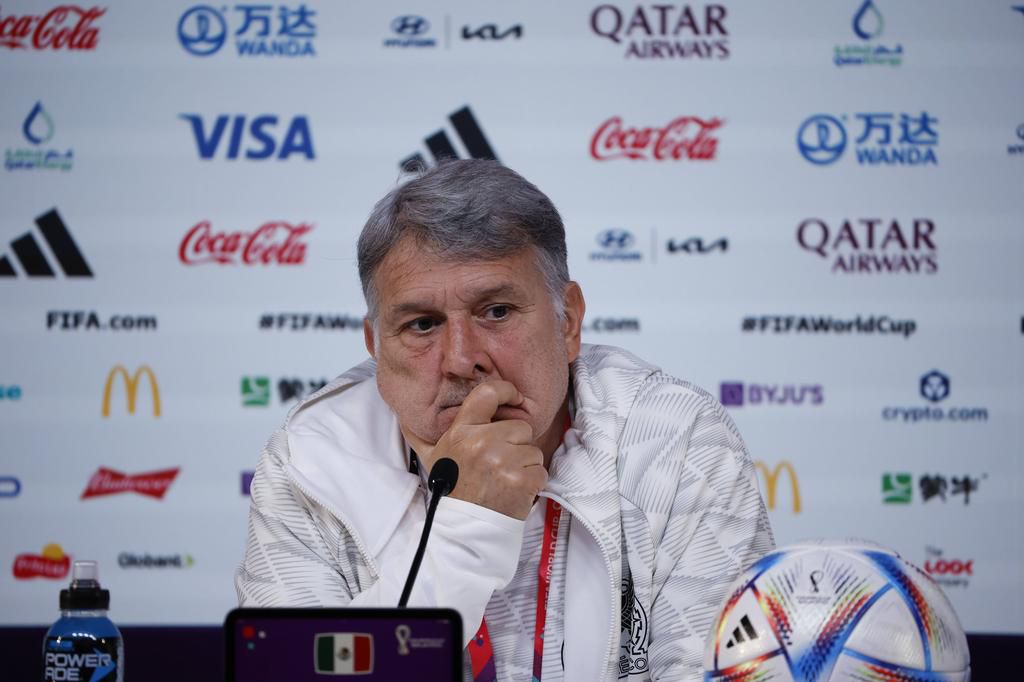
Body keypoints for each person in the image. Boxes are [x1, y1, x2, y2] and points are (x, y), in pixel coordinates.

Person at [235, 159, 774, 681]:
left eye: (496, 311)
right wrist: (468, 525)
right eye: (422, 324)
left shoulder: (675, 441)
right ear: (376, 345)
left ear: (568, 322)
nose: (462, 358)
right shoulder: (308, 466)